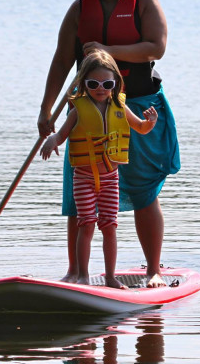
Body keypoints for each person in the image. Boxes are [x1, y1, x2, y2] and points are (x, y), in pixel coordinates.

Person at [38, 0, 180, 288]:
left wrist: (107, 49)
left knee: (144, 188)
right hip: (87, 107)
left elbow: (156, 47)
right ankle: (76, 272)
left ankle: (153, 271)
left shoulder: (144, 0)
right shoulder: (80, 6)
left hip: (136, 102)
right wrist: (46, 111)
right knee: (80, 185)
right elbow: (61, 60)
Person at [40, 50, 158, 288]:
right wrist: (52, 140)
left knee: (109, 226)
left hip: (110, 178)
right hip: (83, 177)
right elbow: (62, 135)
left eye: (107, 83)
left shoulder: (120, 107)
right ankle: (82, 275)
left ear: (115, 84)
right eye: (93, 83)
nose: (100, 88)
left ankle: (110, 277)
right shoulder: (78, 109)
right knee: (86, 223)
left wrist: (150, 122)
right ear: (84, 83)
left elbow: (141, 128)